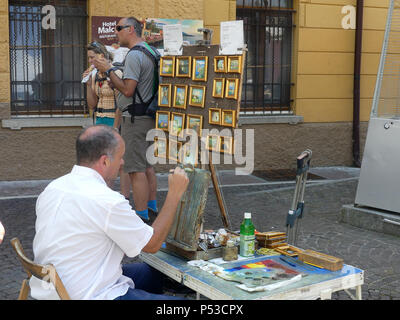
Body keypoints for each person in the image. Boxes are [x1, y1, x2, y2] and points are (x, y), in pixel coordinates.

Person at [29, 125, 189, 300]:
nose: (122, 163)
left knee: (155, 273)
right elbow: (151, 245)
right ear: (105, 161)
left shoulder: (53, 187)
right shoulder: (106, 201)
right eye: (120, 157)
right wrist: (174, 194)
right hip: (86, 294)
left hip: (52, 287)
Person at [94, 17, 159, 222]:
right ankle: (151, 208)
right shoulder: (152, 51)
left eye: (119, 28)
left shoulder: (134, 55)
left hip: (135, 119)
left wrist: (109, 70)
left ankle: (140, 218)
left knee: (134, 169)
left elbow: (128, 90)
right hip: (148, 116)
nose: (116, 32)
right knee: (147, 166)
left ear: (131, 29)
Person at [82, 41, 131, 200]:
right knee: (101, 163)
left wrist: (116, 128)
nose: (90, 61)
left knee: (120, 163)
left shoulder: (115, 73)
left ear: (102, 56)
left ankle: (124, 198)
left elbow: (121, 103)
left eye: (92, 57)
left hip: (114, 122)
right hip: (100, 121)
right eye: (89, 58)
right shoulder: (95, 75)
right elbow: (92, 104)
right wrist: (89, 84)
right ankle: (105, 195)